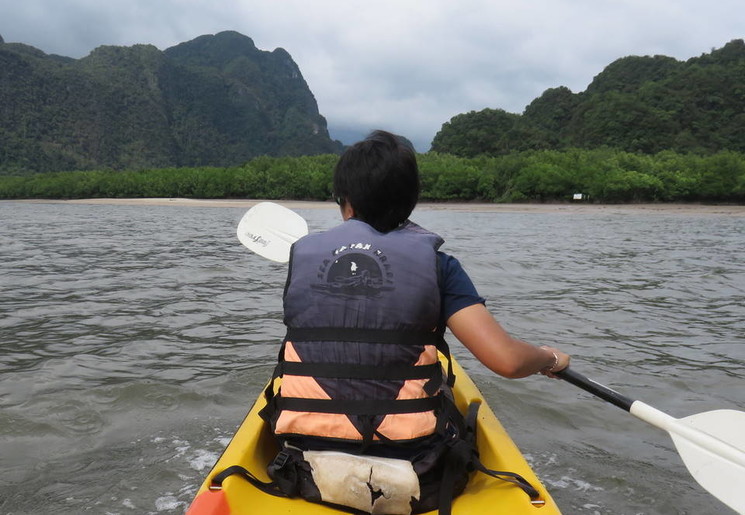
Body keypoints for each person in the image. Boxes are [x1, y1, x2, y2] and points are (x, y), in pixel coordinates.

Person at [260, 130, 570, 514]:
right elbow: (506, 360)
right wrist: (549, 358)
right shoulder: (439, 266)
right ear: (410, 200)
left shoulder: (303, 258)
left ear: (346, 202)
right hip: (413, 459)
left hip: (305, 454)